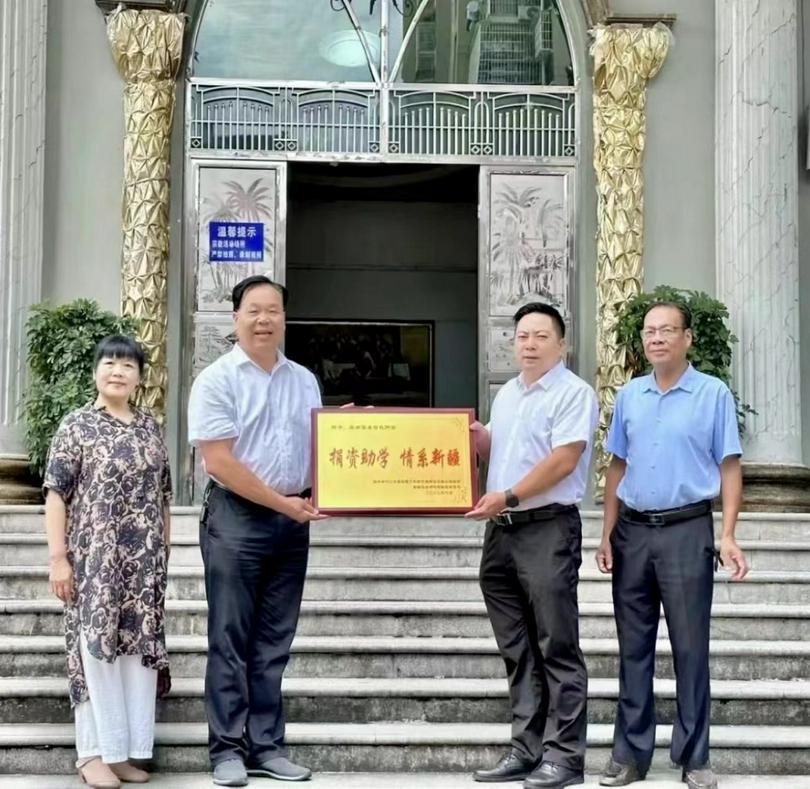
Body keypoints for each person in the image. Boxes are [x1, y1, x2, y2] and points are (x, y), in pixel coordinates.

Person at [595, 302, 749, 789]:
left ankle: (695, 757)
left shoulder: (712, 394)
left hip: (687, 530)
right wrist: (606, 533)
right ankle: (630, 755)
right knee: (632, 648)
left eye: (667, 330)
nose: (656, 338)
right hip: (633, 532)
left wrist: (726, 534)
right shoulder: (630, 396)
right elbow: (617, 466)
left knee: (690, 648)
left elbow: (729, 466)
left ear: (687, 339)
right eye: (649, 331)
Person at [188, 275, 326, 786]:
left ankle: (266, 746)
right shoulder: (217, 380)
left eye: (273, 310)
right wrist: (284, 505)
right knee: (231, 636)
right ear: (236, 317)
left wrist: (353, 435)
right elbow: (220, 462)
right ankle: (226, 748)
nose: (264, 319)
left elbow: (318, 444)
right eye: (253, 310)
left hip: (291, 523)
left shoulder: (304, 380)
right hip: (237, 519)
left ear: (285, 318)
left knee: (273, 641)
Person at [467, 302, 599, 789]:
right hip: (501, 532)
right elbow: (499, 454)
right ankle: (526, 748)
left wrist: (511, 494)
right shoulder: (507, 396)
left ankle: (565, 757)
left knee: (556, 645)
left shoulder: (572, 393)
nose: (528, 344)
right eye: (521, 336)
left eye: (541, 336)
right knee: (518, 649)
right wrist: (475, 440)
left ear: (561, 344)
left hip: (546, 528)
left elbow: (564, 461)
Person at [43, 335, 172, 789]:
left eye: (128, 365)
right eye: (109, 362)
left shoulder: (150, 428)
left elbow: (163, 496)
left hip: (143, 566)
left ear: (140, 377)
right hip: (95, 561)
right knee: (94, 651)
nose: (118, 371)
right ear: (96, 370)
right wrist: (59, 559)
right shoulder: (76, 425)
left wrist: (164, 555)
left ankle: (121, 753)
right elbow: (56, 494)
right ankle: (91, 753)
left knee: (136, 657)